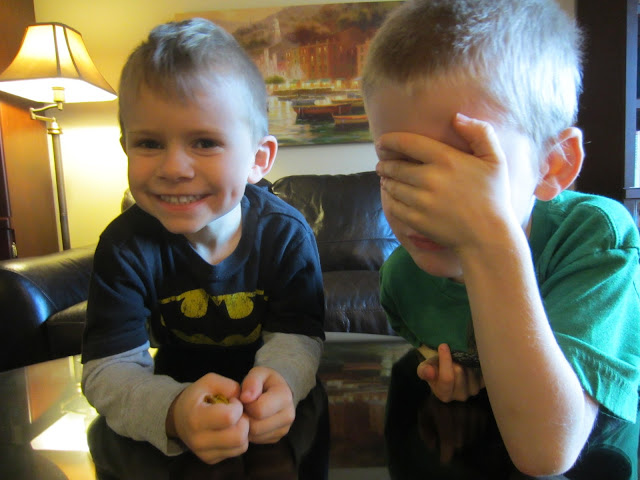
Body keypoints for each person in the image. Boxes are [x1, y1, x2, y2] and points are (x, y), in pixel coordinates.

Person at [361, 0, 640, 476]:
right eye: (400, 164)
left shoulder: (593, 237)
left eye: (465, 167)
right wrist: (455, 371)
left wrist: (487, 239)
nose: (429, 198)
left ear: (552, 166)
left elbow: (546, 453)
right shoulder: (402, 278)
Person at [81, 18, 325, 466]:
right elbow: (108, 368)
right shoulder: (123, 245)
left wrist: (284, 382)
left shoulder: (286, 234)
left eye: (205, 142)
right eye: (149, 143)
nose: (174, 168)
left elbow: (298, 337)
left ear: (258, 159)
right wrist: (172, 412)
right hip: (168, 402)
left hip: (268, 423)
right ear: (125, 147)